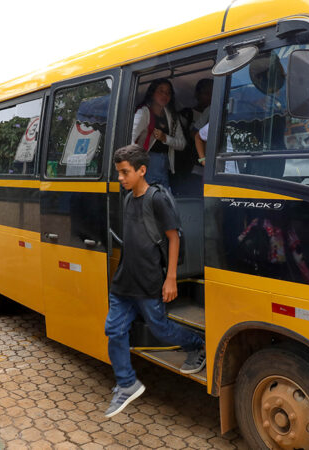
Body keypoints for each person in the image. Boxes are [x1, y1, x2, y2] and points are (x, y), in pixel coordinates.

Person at [104, 145, 205, 418]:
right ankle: (127, 383)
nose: (120, 178)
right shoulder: (128, 199)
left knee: (160, 329)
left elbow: (174, 238)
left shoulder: (157, 199)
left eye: (125, 172)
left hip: (149, 280)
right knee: (114, 329)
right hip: (124, 281)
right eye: (119, 172)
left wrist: (170, 278)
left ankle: (196, 344)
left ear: (142, 170)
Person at [131, 78, 186, 189]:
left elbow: (182, 144)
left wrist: (165, 138)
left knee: (162, 197)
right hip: (148, 163)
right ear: (152, 93)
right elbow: (130, 139)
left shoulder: (172, 117)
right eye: (161, 91)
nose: (165, 95)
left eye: (168, 93)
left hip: (165, 165)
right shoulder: (143, 113)